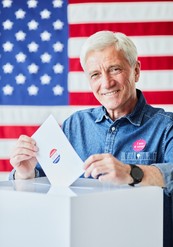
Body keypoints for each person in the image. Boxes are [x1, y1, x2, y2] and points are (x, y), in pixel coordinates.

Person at [9, 30, 173, 193]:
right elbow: (46, 186)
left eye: (115, 69)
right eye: (95, 74)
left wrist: (131, 172)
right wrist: (26, 174)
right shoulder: (75, 125)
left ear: (136, 71)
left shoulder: (166, 126)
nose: (107, 83)